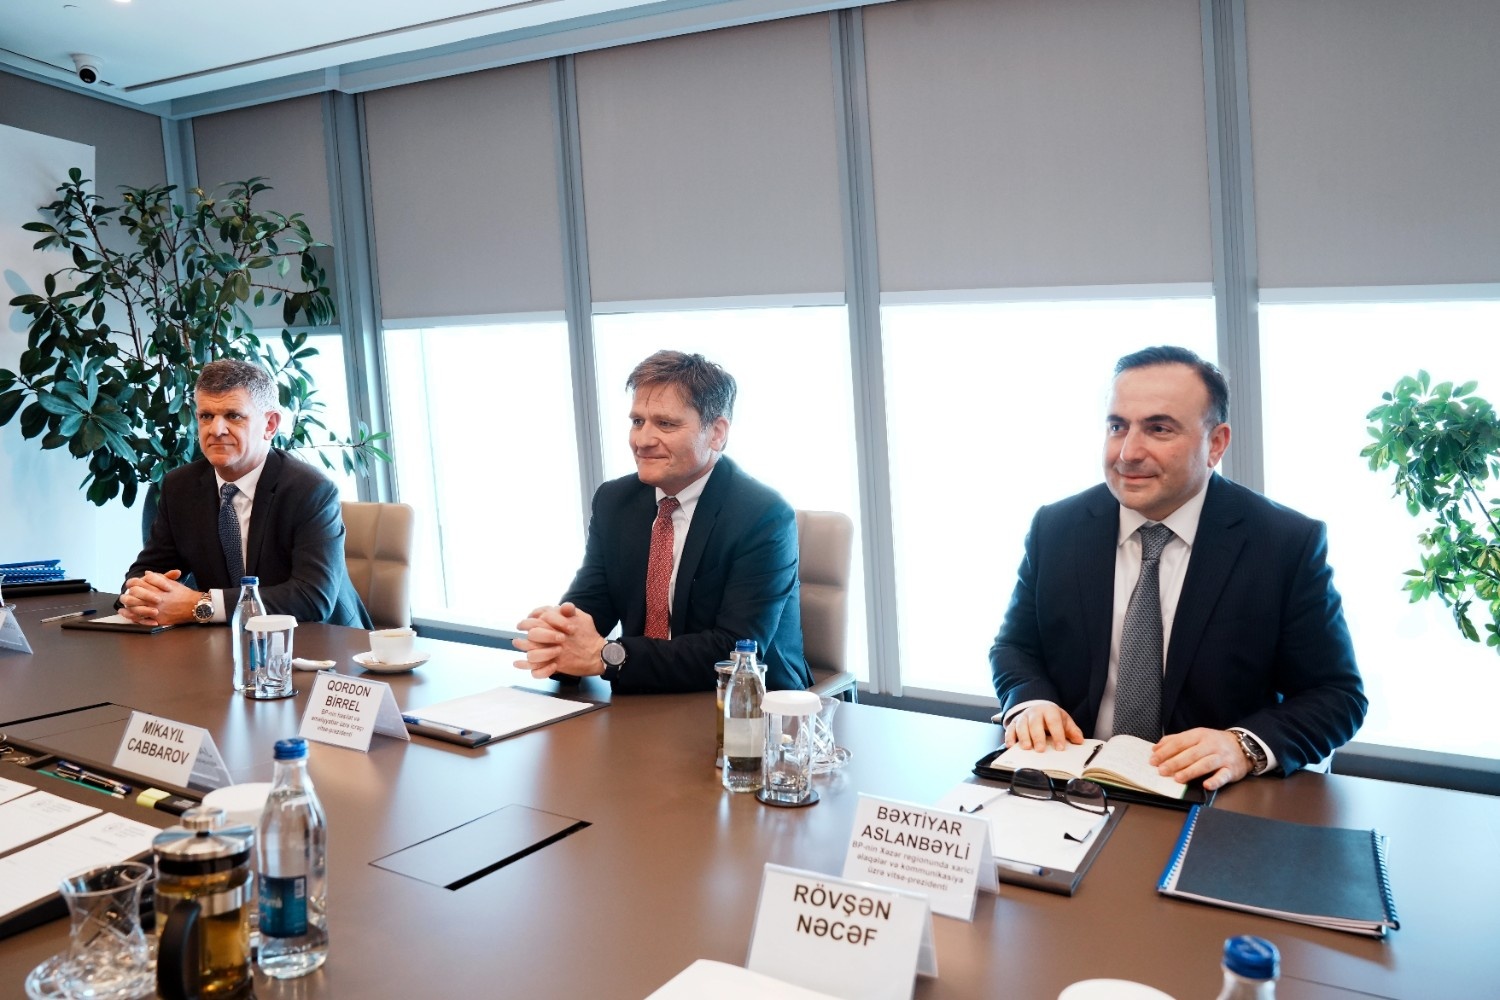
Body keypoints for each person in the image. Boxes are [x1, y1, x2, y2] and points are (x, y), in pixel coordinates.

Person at [990, 346, 1366, 791]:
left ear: (1216, 443)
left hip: (1207, 792)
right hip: (1070, 780)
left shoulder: (1284, 543)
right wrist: (1029, 702)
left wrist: (1242, 746)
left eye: (1159, 429)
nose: (1128, 452)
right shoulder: (1057, 527)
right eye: (1117, 426)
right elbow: (1015, 647)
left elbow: (1337, 696)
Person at [514, 350, 811, 693]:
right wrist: (557, 638)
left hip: (743, 704)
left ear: (716, 433)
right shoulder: (615, 501)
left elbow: (734, 652)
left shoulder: (762, 515)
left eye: (665, 424)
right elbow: (591, 607)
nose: (642, 440)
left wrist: (608, 656)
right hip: (639, 698)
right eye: (637, 421)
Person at [118, 358, 371, 629]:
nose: (216, 430)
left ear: (270, 425)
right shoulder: (180, 487)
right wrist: (141, 596)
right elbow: (146, 571)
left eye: (233, 416)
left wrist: (200, 604)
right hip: (227, 640)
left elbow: (312, 598)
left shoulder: (310, 490)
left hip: (321, 640)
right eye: (206, 416)